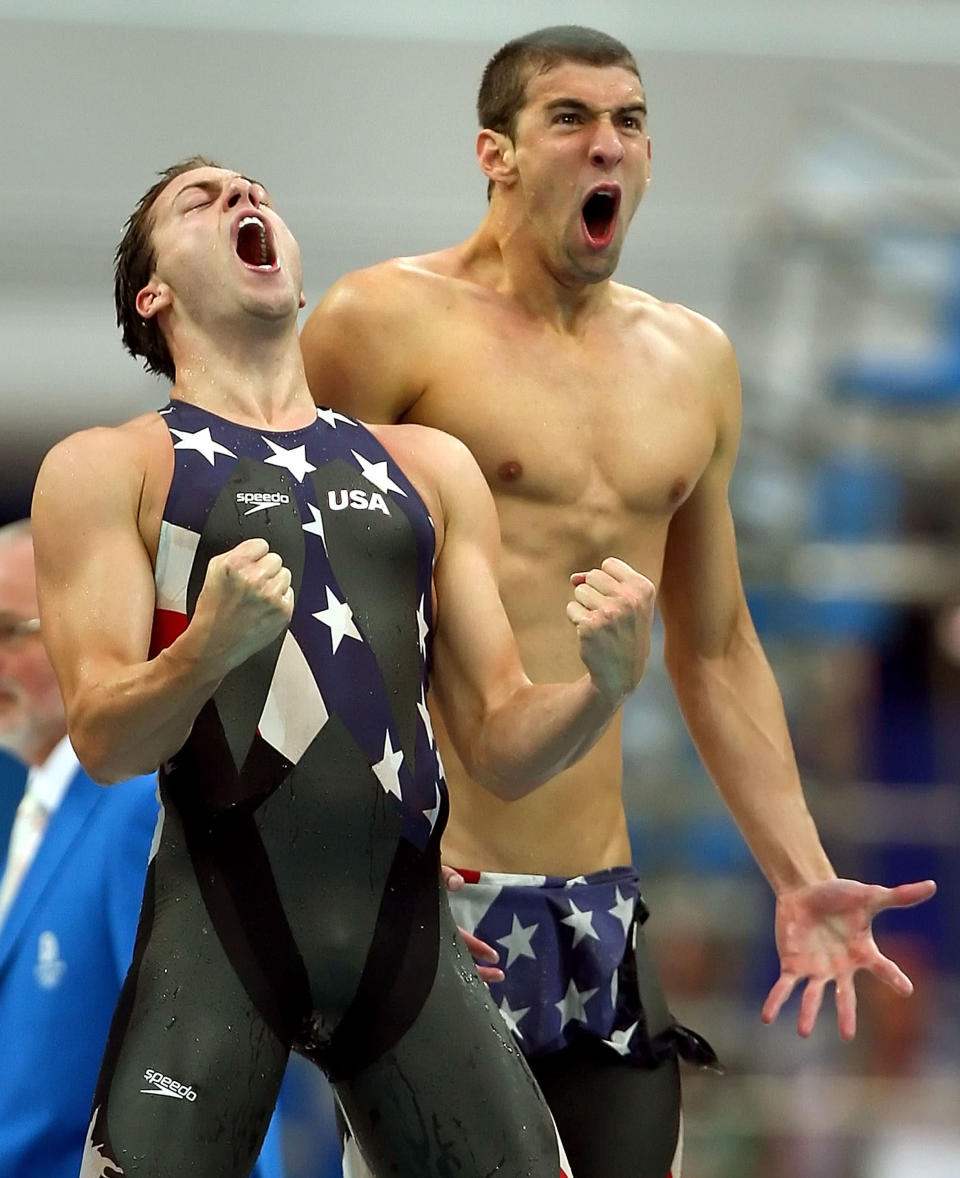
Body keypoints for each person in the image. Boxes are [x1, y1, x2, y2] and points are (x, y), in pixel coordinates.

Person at [299, 25, 938, 1178]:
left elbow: (718, 642)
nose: (610, 145)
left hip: (597, 903)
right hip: (437, 895)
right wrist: (358, 847)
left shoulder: (692, 361)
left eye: (631, 121)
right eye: (571, 120)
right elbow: (312, 613)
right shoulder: (379, 324)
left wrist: (797, 866)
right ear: (493, 152)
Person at [31, 157, 657, 1178]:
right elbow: (104, 739)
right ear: (154, 295)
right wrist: (204, 649)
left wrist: (605, 685)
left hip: (404, 949)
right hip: (221, 937)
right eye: (204, 198)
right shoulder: (115, 468)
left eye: (256, 189)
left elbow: (501, 736)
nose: (247, 198)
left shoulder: (429, 467)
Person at [0, 520, 286, 1178]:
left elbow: (199, 1052)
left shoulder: (140, 809)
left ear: (84, 634)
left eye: (10, 631)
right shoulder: (43, 810)